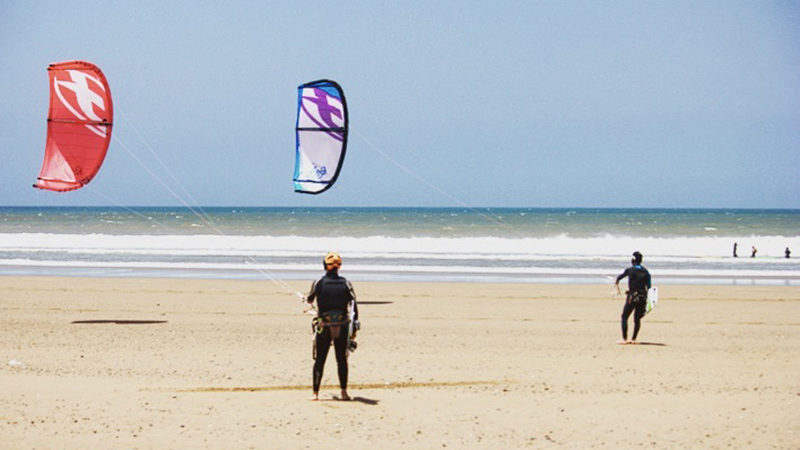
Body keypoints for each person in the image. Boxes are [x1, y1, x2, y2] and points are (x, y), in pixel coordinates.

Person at [305, 252, 359, 401]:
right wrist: (354, 328)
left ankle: (315, 394)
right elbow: (354, 306)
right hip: (342, 326)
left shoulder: (318, 283)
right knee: (341, 360)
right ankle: (344, 393)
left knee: (320, 360)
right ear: (339, 267)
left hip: (324, 326)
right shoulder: (346, 283)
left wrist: (307, 300)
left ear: (325, 265)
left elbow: (310, 300)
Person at [614, 251, 651, 344]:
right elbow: (649, 287)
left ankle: (624, 339)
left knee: (624, 317)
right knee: (637, 319)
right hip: (643, 297)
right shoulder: (646, 272)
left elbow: (619, 278)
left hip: (632, 297)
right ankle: (634, 339)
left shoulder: (630, 270)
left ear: (632, 260)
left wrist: (617, 283)